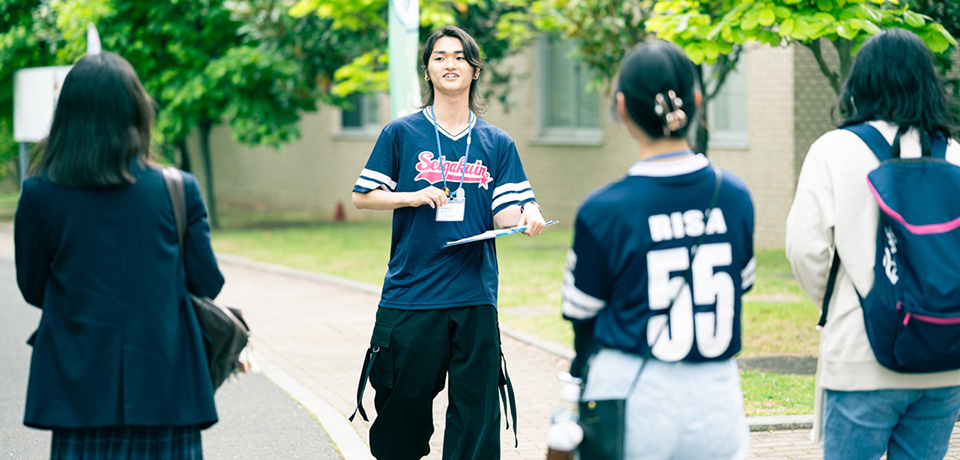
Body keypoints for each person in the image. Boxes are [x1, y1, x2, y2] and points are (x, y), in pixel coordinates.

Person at [350, 25, 546, 460]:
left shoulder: (497, 143)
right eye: (440, 57)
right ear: (428, 71)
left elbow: (507, 212)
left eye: (459, 57)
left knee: (476, 414)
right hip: (412, 293)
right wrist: (412, 195)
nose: (450, 63)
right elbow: (362, 196)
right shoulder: (401, 133)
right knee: (402, 410)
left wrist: (528, 215)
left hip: (474, 295)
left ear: (475, 70)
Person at [15, 52, 223, 459]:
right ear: (136, 112)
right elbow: (207, 283)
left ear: (68, 114)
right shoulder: (177, 189)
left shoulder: (40, 193)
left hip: (79, 389)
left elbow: (33, 287)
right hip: (167, 388)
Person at [561, 40, 755, 459]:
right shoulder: (736, 197)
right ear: (697, 100)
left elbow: (581, 314)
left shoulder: (604, 209)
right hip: (717, 393)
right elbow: (743, 284)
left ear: (622, 108)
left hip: (634, 392)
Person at [786, 28, 960, 459]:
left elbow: (805, 249)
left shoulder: (833, 149)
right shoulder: (954, 154)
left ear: (860, 84)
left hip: (860, 357)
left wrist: (845, 301)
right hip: (944, 357)